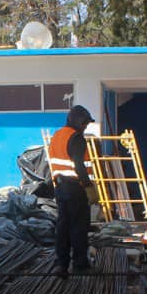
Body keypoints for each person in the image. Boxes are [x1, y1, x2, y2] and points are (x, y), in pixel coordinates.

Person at [48, 104, 95, 275]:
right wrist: (89, 187)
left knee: (63, 226)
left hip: (60, 187)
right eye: (85, 124)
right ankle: (80, 265)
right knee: (79, 226)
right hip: (76, 188)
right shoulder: (76, 137)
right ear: (78, 122)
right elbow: (79, 165)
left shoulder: (57, 136)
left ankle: (61, 264)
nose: (85, 127)